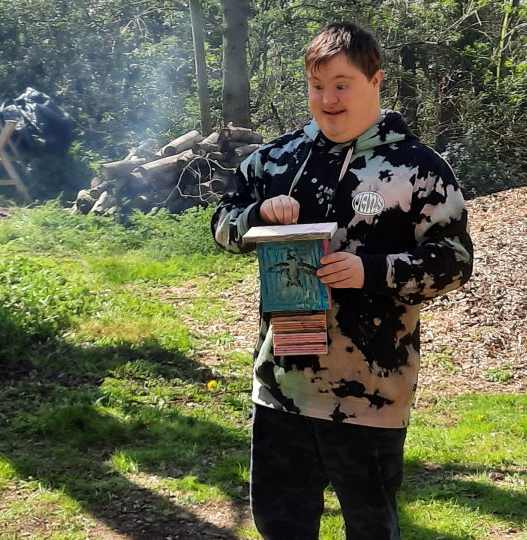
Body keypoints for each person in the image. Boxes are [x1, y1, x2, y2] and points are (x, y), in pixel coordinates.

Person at [211, 21, 473, 540]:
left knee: (371, 527)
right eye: (316, 86)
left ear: (376, 81)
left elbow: (453, 262)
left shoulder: (417, 169)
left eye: (342, 84)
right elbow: (222, 224)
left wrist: (370, 271)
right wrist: (257, 215)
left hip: (371, 392)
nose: (327, 99)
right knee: (279, 523)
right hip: (281, 383)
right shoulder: (275, 161)